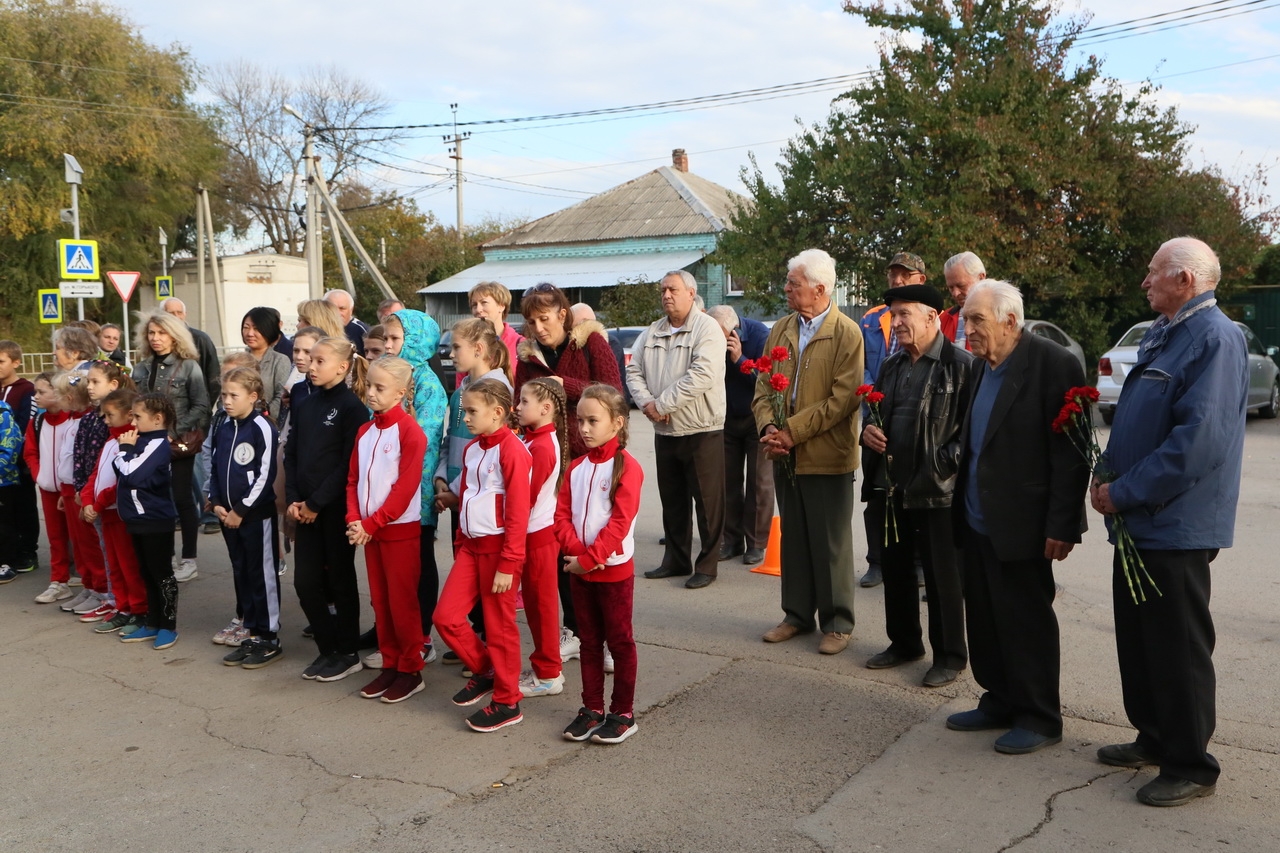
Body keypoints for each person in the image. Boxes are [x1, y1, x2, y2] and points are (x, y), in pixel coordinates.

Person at [1090, 237, 1247, 807]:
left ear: (1185, 279)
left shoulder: (1214, 339)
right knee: (1141, 641)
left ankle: (1190, 763)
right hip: (1139, 520)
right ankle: (1154, 737)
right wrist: (1104, 473)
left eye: (1153, 272)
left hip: (1173, 524)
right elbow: (1135, 420)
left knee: (1177, 646)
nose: (1144, 281)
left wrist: (1124, 492)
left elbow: (1196, 444)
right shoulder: (1168, 333)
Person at [946, 279, 1089, 755]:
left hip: (1023, 523)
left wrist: (1062, 524)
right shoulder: (980, 367)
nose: (967, 329)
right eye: (966, 319)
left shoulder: (1054, 364)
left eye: (976, 320)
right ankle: (999, 698)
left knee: (1025, 620)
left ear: (1010, 320)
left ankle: (1039, 715)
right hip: (976, 517)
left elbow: (1071, 456)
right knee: (985, 617)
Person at [859, 285, 973, 687]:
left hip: (938, 488)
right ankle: (904, 642)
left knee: (943, 577)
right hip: (891, 484)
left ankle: (950, 655)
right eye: (894, 314)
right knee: (895, 568)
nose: (898, 321)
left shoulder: (960, 365)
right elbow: (876, 415)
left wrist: (942, 464)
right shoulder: (891, 366)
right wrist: (868, 431)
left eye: (905, 313)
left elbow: (972, 435)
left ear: (931, 317)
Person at [757, 249, 864, 656]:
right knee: (796, 538)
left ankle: (837, 622)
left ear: (819, 289)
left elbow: (843, 401)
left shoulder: (846, 333)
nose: (786, 288)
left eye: (793, 283)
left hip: (827, 455)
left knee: (830, 542)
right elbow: (764, 385)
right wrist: (769, 428)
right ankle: (797, 615)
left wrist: (791, 432)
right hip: (787, 455)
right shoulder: (781, 328)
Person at [514, 283, 621, 660]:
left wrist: (566, 386)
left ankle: (607, 639)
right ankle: (574, 630)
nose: (538, 328)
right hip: (552, 467)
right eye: (530, 321)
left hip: (593, 461)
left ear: (562, 314)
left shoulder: (591, 343)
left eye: (544, 319)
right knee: (564, 553)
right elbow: (520, 403)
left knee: (597, 549)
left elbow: (612, 392)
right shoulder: (528, 356)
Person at [434, 379, 531, 733]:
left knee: (500, 627)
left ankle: (508, 701)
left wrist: (509, 563)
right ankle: (486, 669)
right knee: (446, 617)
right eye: (464, 411)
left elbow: (518, 512)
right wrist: (461, 541)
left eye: (473, 411)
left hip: (498, 552)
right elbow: (468, 497)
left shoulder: (514, 451)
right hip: (471, 549)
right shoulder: (472, 448)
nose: (466, 418)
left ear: (499, 412)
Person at [626, 271, 726, 590]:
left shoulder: (707, 328)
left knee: (708, 503)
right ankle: (676, 559)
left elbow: (702, 375)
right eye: (663, 290)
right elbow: (632, 369)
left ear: (691, 293)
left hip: (701, 429)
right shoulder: (653, 331)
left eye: (673, 289)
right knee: (673, 501)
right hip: (665, 431)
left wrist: (661, 405)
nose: (666, 295)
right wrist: (647, 403)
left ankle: (707, 565)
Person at [555, 383, 644, 744]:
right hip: (579, 570)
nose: (585, 428)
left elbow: (619, 524)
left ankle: (623, 713)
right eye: (580, 421)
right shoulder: (575, 468)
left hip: (613, 572)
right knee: (589, 641)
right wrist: (576, 555)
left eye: (593, 420)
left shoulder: (628, 468)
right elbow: (560, 516)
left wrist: (590, 559)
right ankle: (591, 708)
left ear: (617, 423)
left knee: (619, 642)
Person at [430, 319, 513, 669]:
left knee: (484, 583)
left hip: (473, 500)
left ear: (478, 349)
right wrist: (440, 477)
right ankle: (473, 639)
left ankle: (485, 649)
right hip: (457, 495)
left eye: (456, 347)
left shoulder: (494, 388)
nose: (450, 353)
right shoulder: (462, 385)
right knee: (466, 574)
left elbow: (488, 456)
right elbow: (452, 438)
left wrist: (458, 492)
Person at [287, 336, 370, 683]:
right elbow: (291, 453)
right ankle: (327, 648)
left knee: (339, 579)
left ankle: (347, 651)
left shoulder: (351, 408)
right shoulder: (304, 403)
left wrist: (317, 503)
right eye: (308, 357)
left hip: (333, 509)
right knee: (306, 583)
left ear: (342, 366)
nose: (311, 364)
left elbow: (347, 464)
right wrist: (295, 499)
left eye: (320, 360)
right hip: (302, 508)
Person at [347, 357, 427, 704]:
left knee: (402, 603)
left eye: (380, 388)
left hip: (397, 531)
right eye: (370, 385)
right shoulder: (365, 431)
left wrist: (372, 523)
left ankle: (411, 670)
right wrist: (355, 520)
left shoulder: (410, 432)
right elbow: (352, 480)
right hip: (368, 532)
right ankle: (391, 663)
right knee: (381, 601)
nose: (371, 393)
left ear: (400, 392)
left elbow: (405, 488)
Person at [383, 309, 449, 668]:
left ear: (417, 343)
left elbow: (421, 440)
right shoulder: (388, 376)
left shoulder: (426, 384)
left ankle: (421, 634)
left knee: (419, 562)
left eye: (397, 340)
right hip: (384, 487)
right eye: (387, 340)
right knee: (392, 566)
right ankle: (392, 628)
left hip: (416, 490)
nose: (389, 347)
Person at [858, 252, 927, 588]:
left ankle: (915, 563)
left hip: (911, 412)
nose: (897, 280)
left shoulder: (929, 317)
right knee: (876, 490)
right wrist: (873, 402)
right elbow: (862, 366)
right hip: (875, 409)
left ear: (920, 280)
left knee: (910, 492)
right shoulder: (871, 318)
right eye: (893, 274)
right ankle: (876, 561)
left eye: (905, 274)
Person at [209, 367, 284, 670]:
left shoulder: (262, 427)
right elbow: (214, 465)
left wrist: (242, 509)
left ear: (253, 397)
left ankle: (269, 637)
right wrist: (215, 502)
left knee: (261, 573)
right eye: (224, 394)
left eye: (233, 395)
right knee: (241, 570)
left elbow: (267, 474)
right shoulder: (224, 425)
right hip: (228, 516)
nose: (226, 401)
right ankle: (251, 632)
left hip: (254, 516)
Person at [132, 310, 211, 583]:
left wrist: (171, 432)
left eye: (162, 333)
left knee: (182, 499)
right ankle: (163, 557)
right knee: (155, 501)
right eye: (151, 333)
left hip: (178, 445)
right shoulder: (141, 368)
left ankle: (189, 560)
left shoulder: (189, 366)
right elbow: (135, 405)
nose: (156, 338)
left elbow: (201, 406)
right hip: (147, 445)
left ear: (175, 336)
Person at [515, 378, 570, 699]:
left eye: (524, 402)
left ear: (546, 409)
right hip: (532, 535)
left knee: (542, 607)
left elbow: (526, 497)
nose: (517, 407)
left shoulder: (541, 446)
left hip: (537, 538)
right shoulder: (532, 440)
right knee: (536, 607)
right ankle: (543, 666)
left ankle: (549, 674)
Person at [113, 392, 181, 650]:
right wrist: (125, 455)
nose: (133, 423)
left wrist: (124, 451)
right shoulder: (142, 440)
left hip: (155, 520)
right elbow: (121, 469)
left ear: (157, 419)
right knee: (146, 573)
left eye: (138, 417)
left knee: (162, 574)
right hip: (137, 519)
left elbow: (131, 474)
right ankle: (152, 622)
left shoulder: (159, 444)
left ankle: (168, 625)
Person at [708, 305, 775, 566]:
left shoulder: (759, 336)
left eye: (720, 336)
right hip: (725, 418)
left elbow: (769, 382)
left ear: (734, 331)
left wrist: (740, 360)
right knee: (728, 482)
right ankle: (732, 540)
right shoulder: (710, 337)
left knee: (760, 483)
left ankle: (757, 543)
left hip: (756, 419)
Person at [70, 360, 135, 621]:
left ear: (113, 384)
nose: (89, 386)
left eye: (95, 381)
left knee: (123, 559)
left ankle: (125, 603)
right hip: (94, 500)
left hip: (112, 507)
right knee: (107, 554)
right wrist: (83, 492)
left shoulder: (127, 436)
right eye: (89, 381)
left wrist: (95, 502)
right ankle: (114, 599)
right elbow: (86, 462)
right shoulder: (93, 421)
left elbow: (117, 477)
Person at [81, 388, 147, 635]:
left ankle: (138, 609)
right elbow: (96, 475)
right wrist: (88, 500)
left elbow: (120, 482)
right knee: (115, 565)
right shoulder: (110, 441)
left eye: (109, 415)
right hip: (105, 514)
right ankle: (122, 607)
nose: (106, 421)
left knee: (128, 564)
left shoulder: (131, 441)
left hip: (120, 514)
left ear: (128, 414)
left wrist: (97, 504)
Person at [54, 371, 109, 616]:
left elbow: (91, 460)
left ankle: (101, 589)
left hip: (85, 491)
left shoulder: (90, 420)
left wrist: (83, 490)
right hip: (71, 488)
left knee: (92, 543)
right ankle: (89, 586)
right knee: (80, 544)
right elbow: (71, 459)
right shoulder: (77, 420)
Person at [27, 374, 78, 603]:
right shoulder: (37, 422)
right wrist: (40, 475)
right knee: (56, 538)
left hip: (72, 490)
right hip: (49, 489)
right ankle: (59, 582)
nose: (35, 396)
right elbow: (30, 452)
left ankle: (92, 583)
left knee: (80, 537)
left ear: (57, 394)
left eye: (40, 392)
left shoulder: (74, 420)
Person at [0, 341, 37, 573]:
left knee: (24, 507)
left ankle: (27, 551)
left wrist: (15, 454)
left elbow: (26, 424)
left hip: (19, 462)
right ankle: (8, 553)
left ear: (16, 362)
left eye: (1, 361)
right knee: (5, 513)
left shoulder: (26, 389)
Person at [161, 298, 221, 403]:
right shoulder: (157, 342)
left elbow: (214, 377)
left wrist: (205, 408)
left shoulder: (201, 339)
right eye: (171, 313)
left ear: (185, 314)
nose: (176, 316)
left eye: (179, 312)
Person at [240, 308, 293, 422]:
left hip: (267, 423)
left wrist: (259, 415)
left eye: (256, 329)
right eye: (246, 327)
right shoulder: (238, 359)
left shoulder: (280, 360)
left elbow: (281, 397)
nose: (250, 333)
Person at [469, 281, 524, 371]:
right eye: (474, 305)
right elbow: (461, 384)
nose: (478, 310)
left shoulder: (520, 345)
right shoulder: (468, 345)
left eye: (484, 303)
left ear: (501, 306)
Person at [940, 251, 985, 347]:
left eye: (961, 285)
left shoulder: (1000, 317)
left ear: (981, 278)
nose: (955, 294)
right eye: (951, 288)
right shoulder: (944, 319)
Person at [0, 394, 22, 583]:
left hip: (3, 481)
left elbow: (9, 449)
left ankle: (6, 563)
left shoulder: (3, 414)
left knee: (4, 525)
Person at [325, 288, 369, 356]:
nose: (337, 313)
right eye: (332, 308)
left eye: (342, 309)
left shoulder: (361, 331)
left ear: (351, 310)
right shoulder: (317, 328)